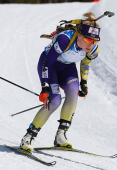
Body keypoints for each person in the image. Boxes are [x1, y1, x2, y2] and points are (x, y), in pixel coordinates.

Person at [19, 12, 101, 151]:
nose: (91, 44)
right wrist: (45, 87)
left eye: (95, 41)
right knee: (55, 101)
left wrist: (84, 82)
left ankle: (61, 135)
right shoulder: (64, 40)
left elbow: (86, 62)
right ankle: (29, 136)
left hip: (67, 68)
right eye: (88, 40)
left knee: (73, 93)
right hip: (50, 66)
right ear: (79, 35)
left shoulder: (93, 48)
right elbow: (47, 63)